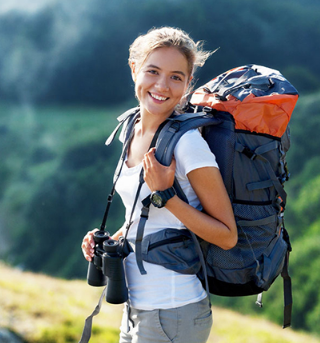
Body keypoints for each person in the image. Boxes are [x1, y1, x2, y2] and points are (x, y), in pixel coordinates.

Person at [81, 27, 237, 343]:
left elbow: (227, 236)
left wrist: (166, 194)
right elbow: (145, 217)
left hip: (173, 311)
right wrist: (113, 238)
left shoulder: (188, 145)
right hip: (137, 307)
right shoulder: (130, 129)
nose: (162, 85)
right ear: (134, 68)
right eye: (153, 71)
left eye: (176, 77)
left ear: (188, 84)